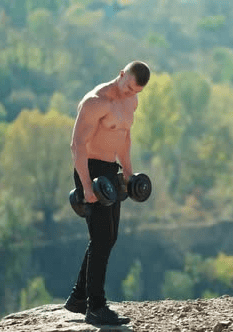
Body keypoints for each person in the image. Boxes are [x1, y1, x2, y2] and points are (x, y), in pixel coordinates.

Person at [64, 61, 150, 325]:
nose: (129, 94)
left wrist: (129, 173)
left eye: (135, 91)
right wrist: (87, 186)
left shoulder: (131, 101)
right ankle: (96, 307)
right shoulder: (95, 102)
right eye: (127, 87)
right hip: (90, 169)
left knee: (108, 237)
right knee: (101, 238)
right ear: (122, 74)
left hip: (112, 170)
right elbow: (76, 144)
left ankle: (79, 298)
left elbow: (124, 137)